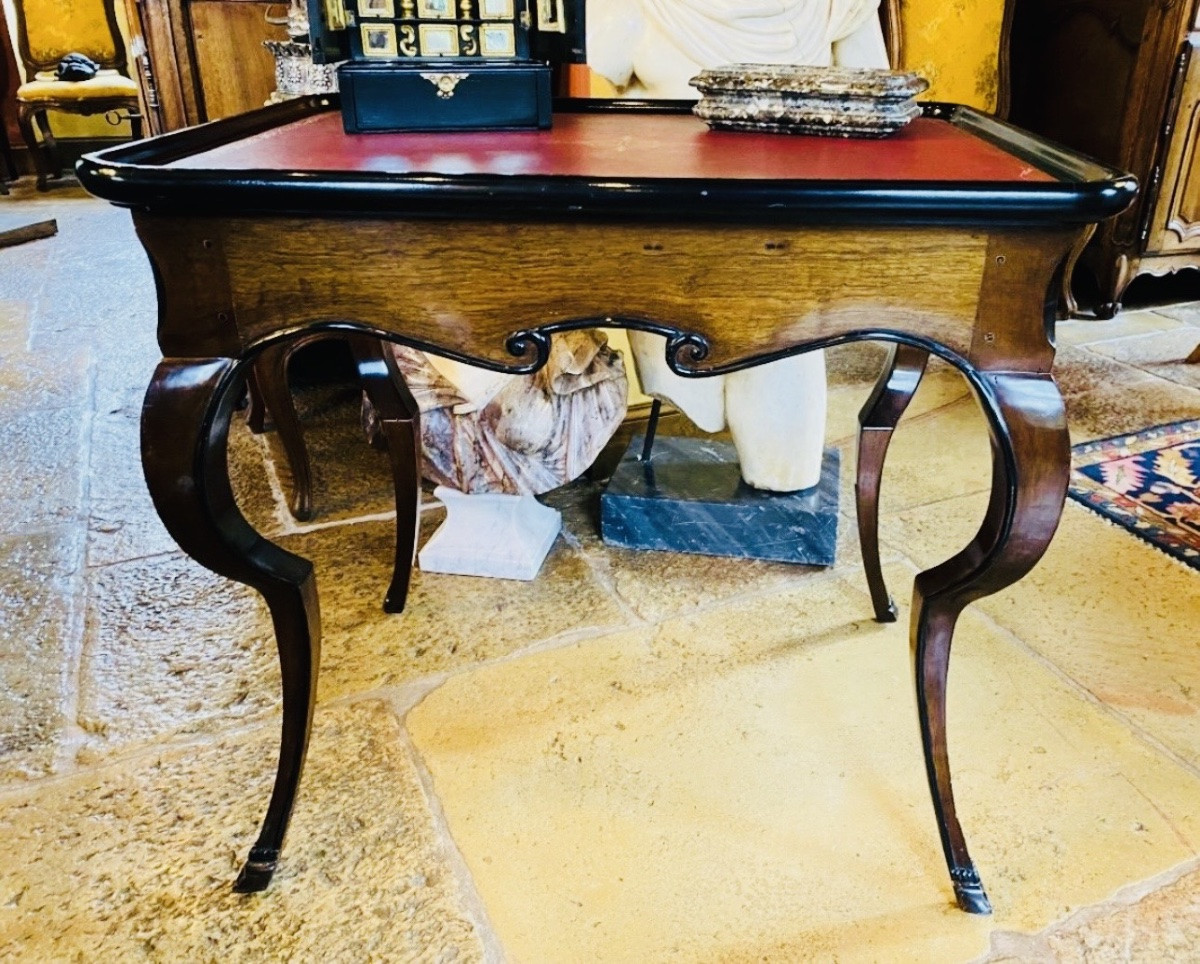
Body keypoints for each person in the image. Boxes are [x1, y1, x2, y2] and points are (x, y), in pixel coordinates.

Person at [588, 0, 887, 492]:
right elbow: (610, 74)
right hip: (672, 226)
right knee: (686, 353)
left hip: (786, 225)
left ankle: (778, 454)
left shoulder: (838, 5)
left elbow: (871, 104)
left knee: (782, 412)